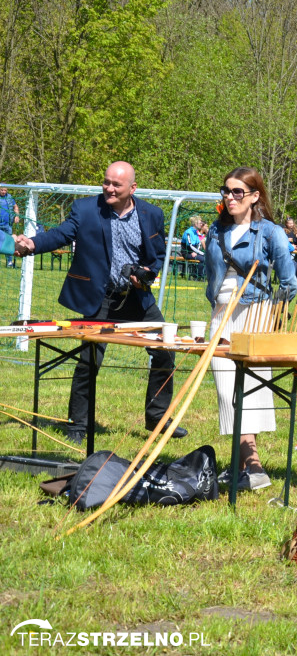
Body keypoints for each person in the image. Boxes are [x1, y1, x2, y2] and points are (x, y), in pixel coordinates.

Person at [13, 161, 187, 444]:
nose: (108, 188)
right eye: (106, 182)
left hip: (137, 299)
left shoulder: (151, 214)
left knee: (165, 349)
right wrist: (31, 244)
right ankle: (77, 425)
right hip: (100, 299)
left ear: (132, 188)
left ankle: (157, 418)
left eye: (116, 185)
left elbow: (155, 257)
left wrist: (144, 274)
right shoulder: (85, 209)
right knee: (89, 361)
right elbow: (60, 234)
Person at [206, 168, 297, 491]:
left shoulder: (270, 233)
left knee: (251, 390)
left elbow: (289, 282)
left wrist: (274, 319)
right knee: (225, 389)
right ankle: (243, 465)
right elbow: (212, 275)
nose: (229, 197)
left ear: (255, 196)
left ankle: (251, 465)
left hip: (255, 313)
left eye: (237, 192)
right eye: (226, 191)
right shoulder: (216, 231)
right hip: (221, 314)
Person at [180, 215, 206, 279]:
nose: (201, 224)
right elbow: (190, 245)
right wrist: (199, 253)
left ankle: (201, 274)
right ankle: (197, 275)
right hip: (187, 253)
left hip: (194, 252)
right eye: (200, 223)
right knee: (203, 259)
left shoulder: (196, 232)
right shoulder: (188, 232)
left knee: (207, 258)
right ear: (195, 224)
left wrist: (197, 252)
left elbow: (198, 244)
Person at [0, 186, 19, 268]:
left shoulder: (10, 197)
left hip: (7, 224)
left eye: (5, 190)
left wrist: (17, 216)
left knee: (9, 242)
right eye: (1, 190)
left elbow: (15, 207)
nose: (3, 192)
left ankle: (9, 262)